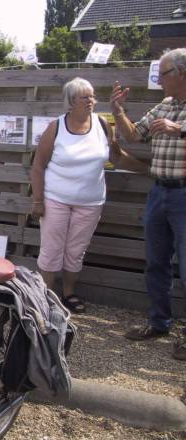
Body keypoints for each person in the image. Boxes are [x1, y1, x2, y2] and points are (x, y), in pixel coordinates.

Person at [31, 77, 148, 313]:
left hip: (90, 202)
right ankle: (46, 297)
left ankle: (69, 293)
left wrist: (147, 169)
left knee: (76, 251)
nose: (91, 101)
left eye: (93, 96)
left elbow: (116, 157)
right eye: (85, 97)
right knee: (51, 249)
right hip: (56, 199)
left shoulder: (103, 125)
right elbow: (38, 166)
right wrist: (38, 201)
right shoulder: (56, 127)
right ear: (71, 101)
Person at [111, 48, 186, 361]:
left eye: (163, 75)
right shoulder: (166, 104)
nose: (159, 80)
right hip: (160, 192)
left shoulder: (176, 116)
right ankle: (159, 322)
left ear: (181, 73)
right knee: (156, 261)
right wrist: (118, 111)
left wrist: (179, 129)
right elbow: (133, 135)